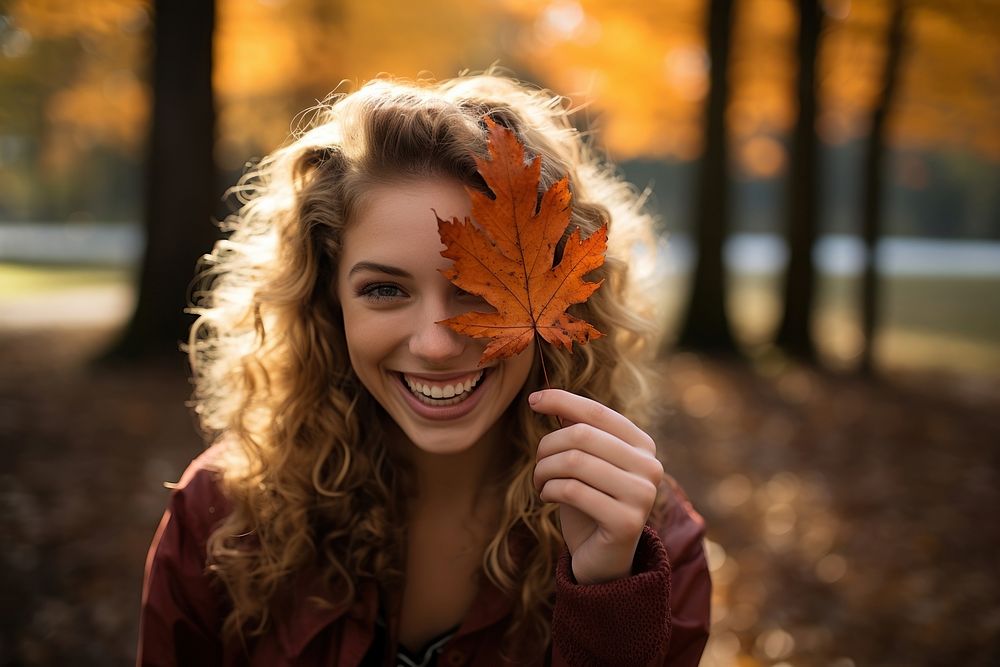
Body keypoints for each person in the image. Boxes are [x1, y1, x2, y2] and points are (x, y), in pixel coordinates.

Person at [137, 72, 711, 666]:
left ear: (564, 299)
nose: (436, 345)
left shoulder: (648, 541)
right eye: (384, 290)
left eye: (482, 290)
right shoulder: (222, 518)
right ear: (327, 303)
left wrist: (607, 601)